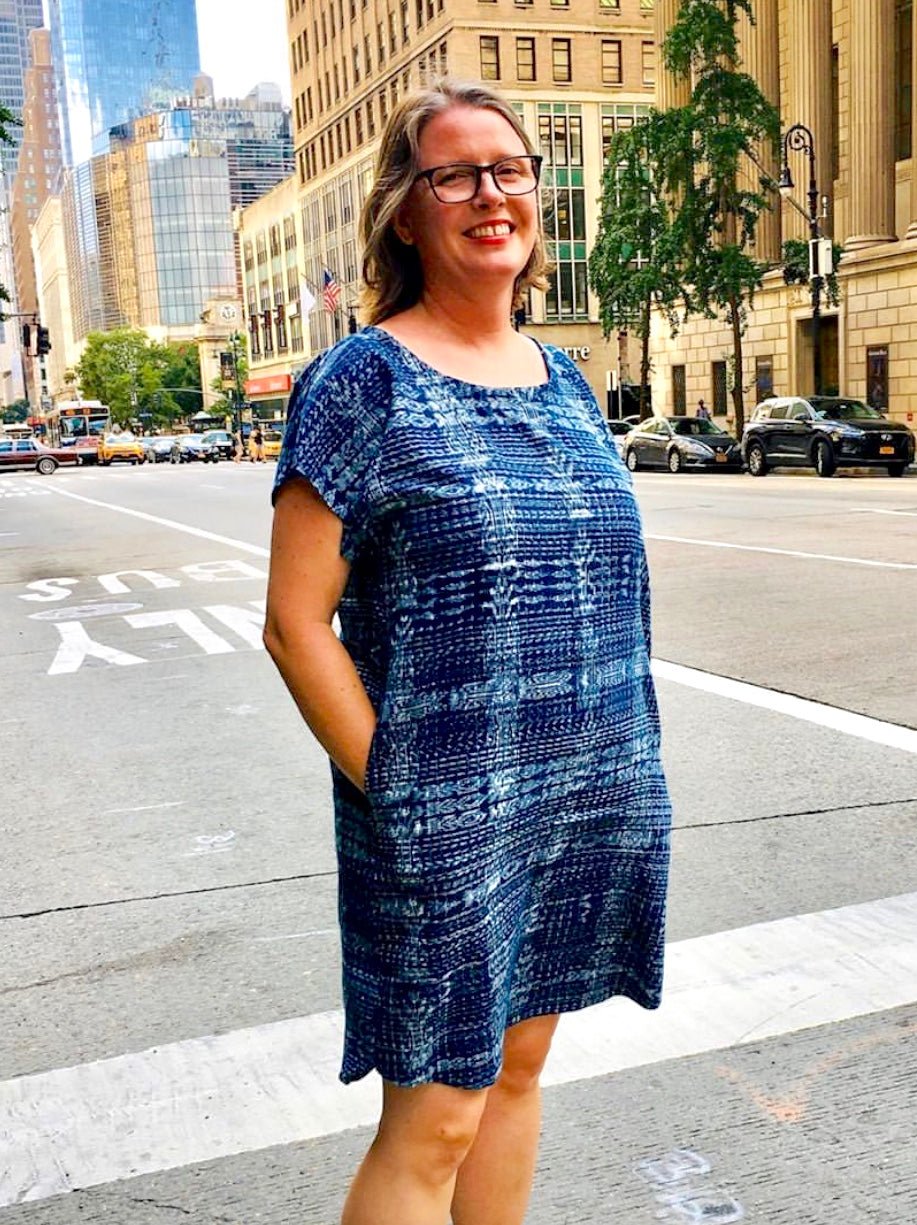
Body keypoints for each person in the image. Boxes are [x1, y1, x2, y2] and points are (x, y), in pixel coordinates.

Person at [264, 79, 671, 1225]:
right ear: (405, 211)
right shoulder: (361, 382)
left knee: (517, 1075)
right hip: (443, 810)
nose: (490, 194)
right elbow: (294, 622)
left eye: (508, 170)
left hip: (584, 796)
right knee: (436, 1117)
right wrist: (400, 793)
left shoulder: (566, 379)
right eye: (454, 175)